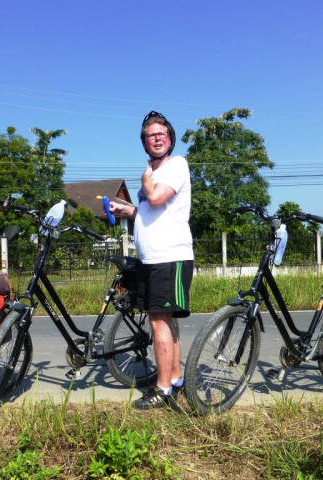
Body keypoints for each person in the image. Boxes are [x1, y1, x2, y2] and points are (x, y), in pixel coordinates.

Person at [110, 111, 193, 409]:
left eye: (161, 134)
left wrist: (145, 178)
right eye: (150, 135)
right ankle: (175, 380)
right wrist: (130, 211)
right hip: (152, 259)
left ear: (170, 138)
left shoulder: (176, 166)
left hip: (171, 257)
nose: (156, 138)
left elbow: (157, 198)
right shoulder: (155, 176)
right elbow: (151, 210)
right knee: (164, 321)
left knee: (160, 322)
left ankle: (162, 389)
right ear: (144, 142)